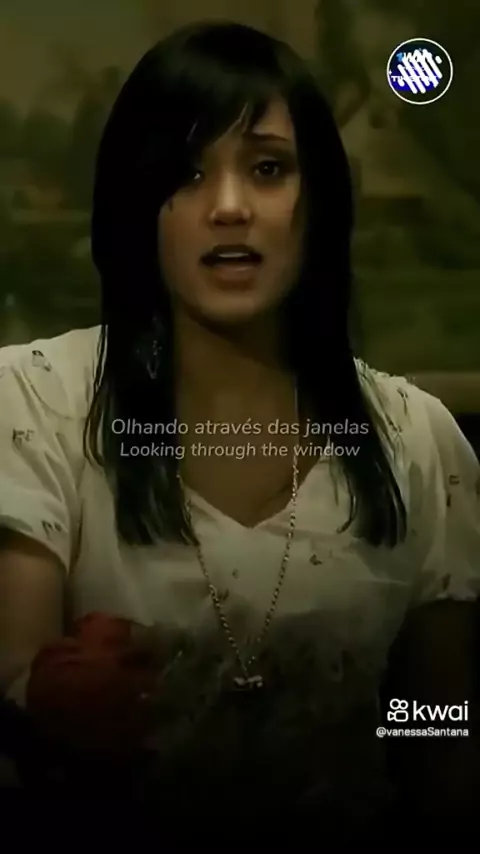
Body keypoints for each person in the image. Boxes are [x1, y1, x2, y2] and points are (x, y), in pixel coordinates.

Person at [0, 19, 479, 844]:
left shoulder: (416, 439)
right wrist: (59, 701)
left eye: (267, 169)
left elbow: (439, 730)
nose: (228, 208)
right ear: (136, 202)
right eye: (185, 173)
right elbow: (15, 678)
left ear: (317, 199)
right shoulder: (36, 402)